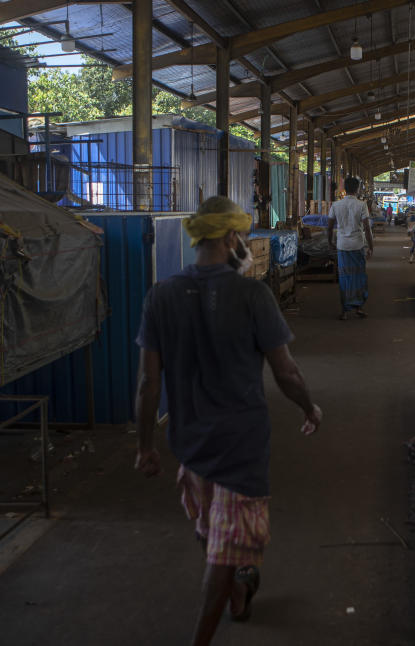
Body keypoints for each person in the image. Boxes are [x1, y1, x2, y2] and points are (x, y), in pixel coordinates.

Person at [134, 196, 323, 646]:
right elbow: (286, 371)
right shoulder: (253, 294)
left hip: (191, 442)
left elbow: (147, 383)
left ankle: (238, 595)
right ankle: (204, 634)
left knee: (211, 532)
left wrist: (145, 446)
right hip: (241, 446)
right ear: (231, 238)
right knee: (222, 548)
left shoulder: (161, 295)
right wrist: (308, 407)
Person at [327, 177, 374, 320]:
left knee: (344, 278)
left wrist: (330, 242)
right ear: (358, 189)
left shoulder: (335, 205)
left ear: (345, 189)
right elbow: (367, 228)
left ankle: (345, 311)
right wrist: (371, 246)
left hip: (342, 246)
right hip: (357, 245)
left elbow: (329, 227)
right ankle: (358, 307)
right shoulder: (362, 205)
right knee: (359, 277)